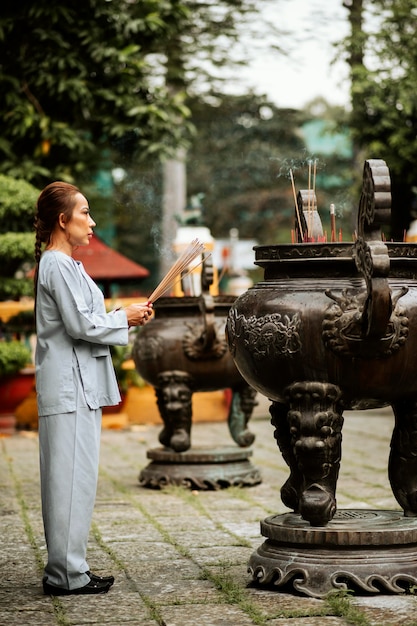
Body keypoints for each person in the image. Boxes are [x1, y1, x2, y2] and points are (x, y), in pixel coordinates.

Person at [34, 181, 153, 596]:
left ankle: (72, 570)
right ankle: (64, 575)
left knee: (78, 480)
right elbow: (81, 325)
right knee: (66, 482)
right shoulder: (56, 264)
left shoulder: (69, 265)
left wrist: (124, 315)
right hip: (67, 389)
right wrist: (125, 317)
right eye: (84, 212)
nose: (92, 221)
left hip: (78, 387)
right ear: (62, 220)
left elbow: (85, 318)